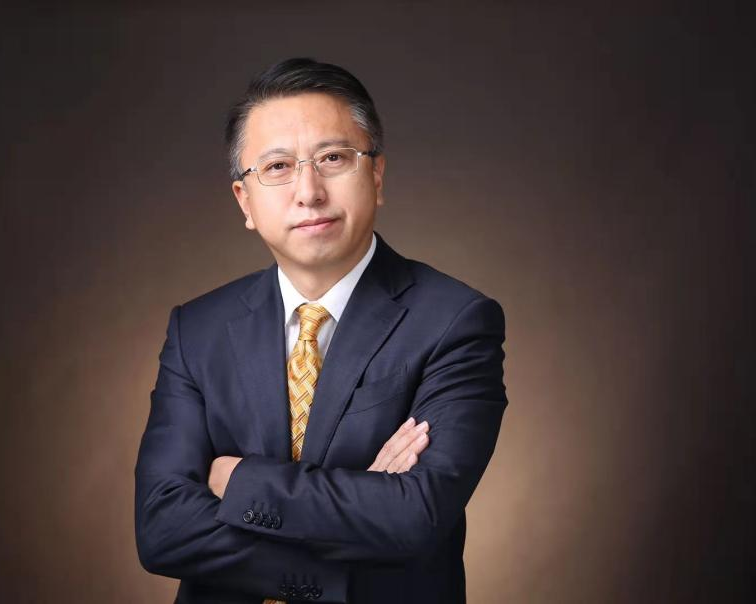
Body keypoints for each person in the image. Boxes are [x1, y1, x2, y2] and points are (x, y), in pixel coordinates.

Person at [134, 57, 508, 604]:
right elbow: (162, 528)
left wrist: (237, 481)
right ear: (245, 201)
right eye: (278, 166)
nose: (308, 192)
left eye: (333, 158)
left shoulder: (455, 321)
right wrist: (355, 526)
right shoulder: (198, 329)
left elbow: (414, 516)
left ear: (376, 175)